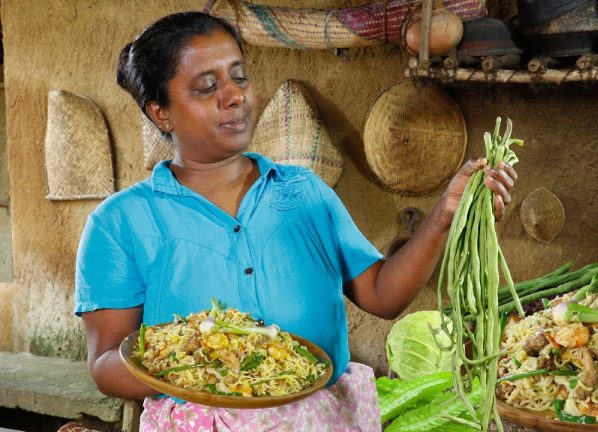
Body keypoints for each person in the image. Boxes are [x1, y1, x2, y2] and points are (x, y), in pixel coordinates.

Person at [74, 11, 518, 432]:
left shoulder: (303, 192)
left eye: (239, 76)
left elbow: (381, 295)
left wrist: (443, 215)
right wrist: (203, 361)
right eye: (207, 87)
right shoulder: (120, 223)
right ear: (160, 112)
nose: (235, 95)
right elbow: (106, 366)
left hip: (324, 418)